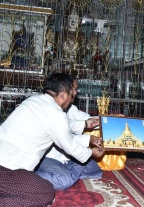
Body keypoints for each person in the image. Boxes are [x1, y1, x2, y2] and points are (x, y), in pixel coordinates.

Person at [0, 73, 104, 206]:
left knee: (90, 169)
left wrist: (86, 132)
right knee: (45, 193)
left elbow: (61, 129)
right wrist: (91, 153)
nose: (73, 100)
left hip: (8, 161)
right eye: (73, 95)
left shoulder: (33, 101)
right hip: (7, 169)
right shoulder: (54, 113)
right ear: (64, 95)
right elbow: (69, 145)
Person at [35, 79, 103, 190]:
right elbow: (66, 139)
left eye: (76, 89)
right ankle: (32, 173)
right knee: (64, 180)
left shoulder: (70, 108)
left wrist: (110, 120)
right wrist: (89, 147)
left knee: (94, 169)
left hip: (68, 155)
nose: (75, 92)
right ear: (63, 91)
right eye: (73, 89)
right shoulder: (46, 109)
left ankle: (66, 171)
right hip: (46, 157)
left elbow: (88, 120)